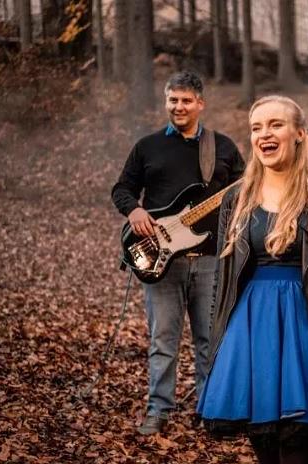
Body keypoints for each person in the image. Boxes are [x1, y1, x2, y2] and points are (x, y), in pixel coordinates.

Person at [197, 95, 308, 464]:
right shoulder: (235, 200)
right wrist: (214, 355)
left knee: (298, 460)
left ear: (300, 134)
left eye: (275, 125)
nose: (264, 134)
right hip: (249, 336)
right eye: (256, 127)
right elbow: (222, 282)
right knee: (268, 463)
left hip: (306, 335)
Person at [111, 71, 245, 435]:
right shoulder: (147, 147)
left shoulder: (224, 148)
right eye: (173, 100)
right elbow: (122, 188)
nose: (179, 106)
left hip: (211, 260)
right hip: (160, 261)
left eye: (186, 100)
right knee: (163, 341)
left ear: (201, 104)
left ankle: (209, 409)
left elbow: (246, 194)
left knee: (210, 340)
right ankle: (158, 410)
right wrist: (134, 210)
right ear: (166, 101)